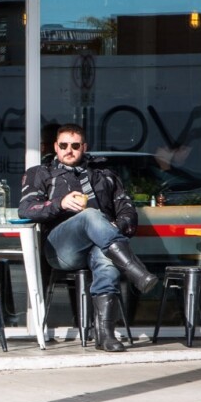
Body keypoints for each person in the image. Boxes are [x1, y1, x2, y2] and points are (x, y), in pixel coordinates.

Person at [17, 123, 157, 352]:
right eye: (63, 145)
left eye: (74, 145)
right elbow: (25, 209)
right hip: (61, 249)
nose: (68, 150)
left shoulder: (105, 175)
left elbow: (129, 212)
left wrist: (114, 225)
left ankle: (105, 334)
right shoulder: (41, 173)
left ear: (84, 147)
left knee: (106, 257)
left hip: (99, 247)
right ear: (55, 147)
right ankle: (134, 269)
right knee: (90, 215)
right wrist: (59, 204)